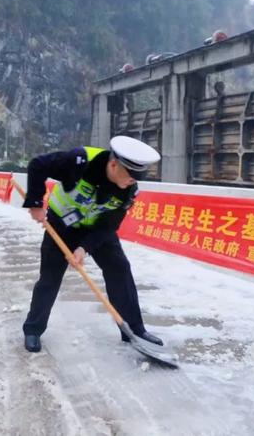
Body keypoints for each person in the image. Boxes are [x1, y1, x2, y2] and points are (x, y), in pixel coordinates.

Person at [21, 136, 162, 353]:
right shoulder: (80, 160)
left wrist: (83, 248)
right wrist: (36, 203)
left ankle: (133, 330)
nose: (132, 182)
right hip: (61, 225)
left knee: (119, 269)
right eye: (130, 177)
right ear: (114, 165)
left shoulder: (128, 191)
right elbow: (38, 165)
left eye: (136, 178)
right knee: (50, 278)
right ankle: (33, 329)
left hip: (96, 228)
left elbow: (108, 227)